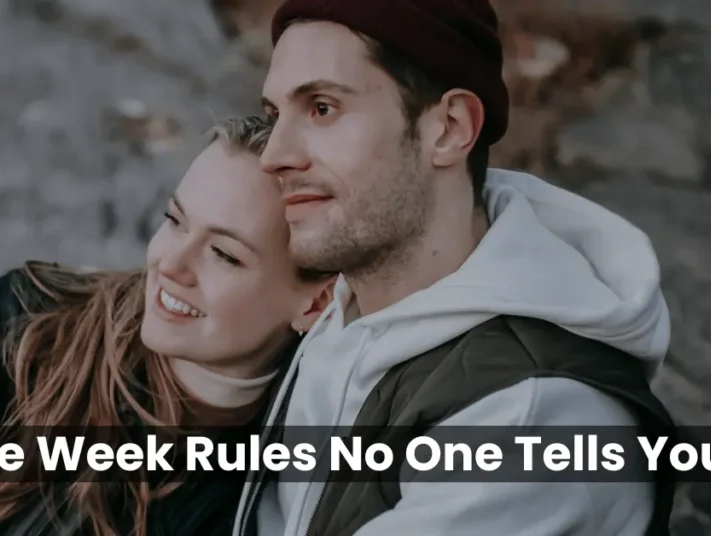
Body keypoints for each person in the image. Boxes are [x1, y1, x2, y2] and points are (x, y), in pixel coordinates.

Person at [232, 1, 679, 535]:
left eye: (322, 108)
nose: (273, 155)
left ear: (447, 128)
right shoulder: (342, 303)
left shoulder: (528, 419)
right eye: (275, 115)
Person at [0, 115, 335, 536]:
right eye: (174, 220)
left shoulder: (302, 467)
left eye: (223, 253)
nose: (170, 264)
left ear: (314, 303)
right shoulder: (21, 329)